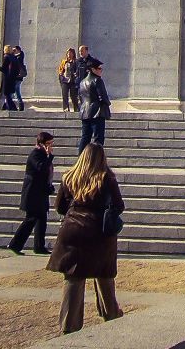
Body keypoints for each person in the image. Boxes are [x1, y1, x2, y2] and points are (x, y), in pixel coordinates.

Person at [47, 142, 125, 334]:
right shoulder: (106, 178)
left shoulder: (69, 177)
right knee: (104, 273)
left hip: (72, 230)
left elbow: (60, 207)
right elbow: (119, 204)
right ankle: (111, 313)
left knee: (74, 277)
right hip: (98, 231)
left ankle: (69, 323)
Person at [9, 130, 55, 254]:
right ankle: (15, 244)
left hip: (40, 193)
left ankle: (39, 246)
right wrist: (49, 156)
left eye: (52, 143)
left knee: (41, 220)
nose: (51, 146)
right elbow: (41, 168)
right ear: (42, 144)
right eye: (49, 143)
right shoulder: (35, 154)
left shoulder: (42, 155)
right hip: (33, 194)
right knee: (30, 219)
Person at [78, 59, 111, 153]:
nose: (101, 70)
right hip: (97, 112)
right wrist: (108, 103)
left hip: (85, 111)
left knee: (85, 138)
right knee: (98, 139)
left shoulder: (82, 82)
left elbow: (80, 97)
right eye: (99, 68)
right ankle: (96, 162)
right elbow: (103, 96)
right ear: (93, 69)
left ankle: (81, 160)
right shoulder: (97, 80)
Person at [0, 44, 21, 112]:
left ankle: (11, 108)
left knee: (7, 94)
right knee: (9, 94)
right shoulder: (14, 57)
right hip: (13, 78)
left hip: (7, 78)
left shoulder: (6, 57)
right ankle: (10, 107)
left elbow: (4, 69)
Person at [58, 48, 80, 113]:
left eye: (70, 53)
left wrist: (76, 75)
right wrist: (61, 77)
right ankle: (66, 108)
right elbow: (60, 70)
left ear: (73, 54)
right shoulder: (64, 61)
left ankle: (76, 108)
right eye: (68, 53)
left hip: (73, 81)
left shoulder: (76, 62)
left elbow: (77, 70)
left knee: (73, 96)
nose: (69, 54)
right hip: (65, 80)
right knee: (65, 94)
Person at [11, 45, 27, 111]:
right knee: (16, 91)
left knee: (13, 91)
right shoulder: (19, 56)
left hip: (18, 77)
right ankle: (20, 105)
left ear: (18, 50)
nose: (13, 52)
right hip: (18, 77)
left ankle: (9, 104)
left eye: (14, 50)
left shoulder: (19, 57)